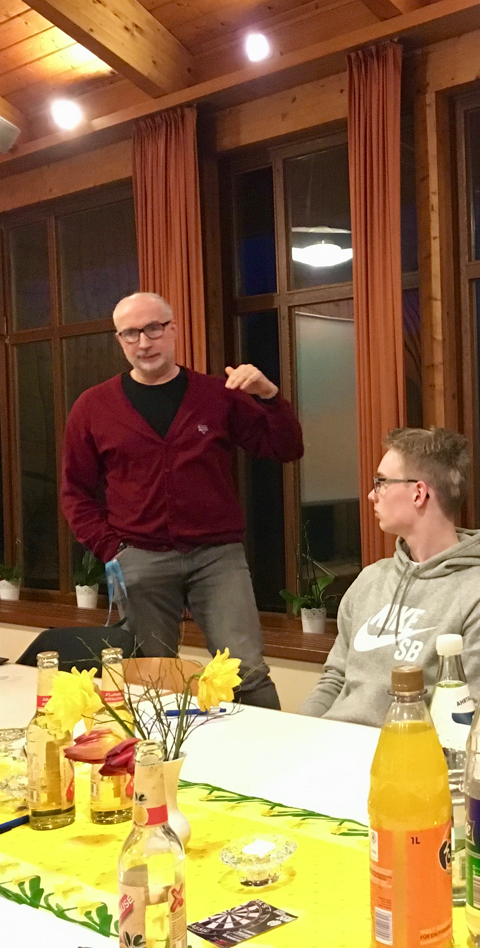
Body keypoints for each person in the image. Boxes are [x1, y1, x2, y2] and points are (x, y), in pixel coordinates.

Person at [61, 292, 303, 709]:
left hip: (217, 558)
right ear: (119, 340)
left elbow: (285, 448)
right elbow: (75, 492)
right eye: (131, 333)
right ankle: (166, 752)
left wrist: (269, 396)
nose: (144, 342)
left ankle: (272, 748)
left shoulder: (217, 394)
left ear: (173, 330)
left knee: (246, 672)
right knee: (152, 680)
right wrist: (113, 550)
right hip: (139, 559)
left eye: (153, 329)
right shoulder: (93, 406)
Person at [298, 427, 480, 725]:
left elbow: (470, 719)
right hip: (334, 741)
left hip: (410, 749)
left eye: (381, 483)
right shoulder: (370, 580)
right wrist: (300, 731)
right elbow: (334, 679)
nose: (371, 495)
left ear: (419, 493)